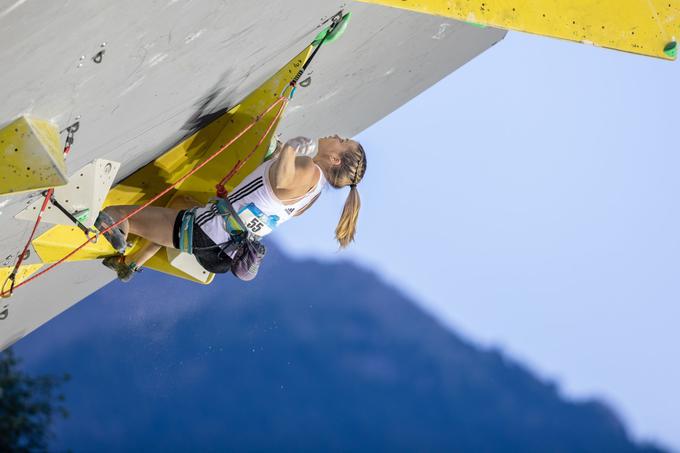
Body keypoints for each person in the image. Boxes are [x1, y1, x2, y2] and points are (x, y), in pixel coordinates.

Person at [95, 135, 367, 282]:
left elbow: (283, 180)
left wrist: (291, 150)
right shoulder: (314, 194)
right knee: (180, 205)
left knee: (119, 214)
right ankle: (131, 264)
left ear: (334, 158)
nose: (335, 136)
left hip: (207, 231)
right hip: (223, 252)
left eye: (342, 141)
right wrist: (278, 153)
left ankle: (116, 227)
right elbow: (275, 193)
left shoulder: (307, 167)